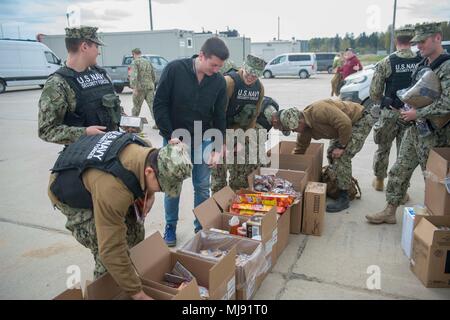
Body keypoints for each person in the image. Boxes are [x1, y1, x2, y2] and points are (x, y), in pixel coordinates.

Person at [48, 131, 192, 300]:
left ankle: (126, 281)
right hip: (71, 191)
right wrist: (138, 294)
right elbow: (111, 250)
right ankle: (103, 293)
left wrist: (150, 195)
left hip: (100, 176)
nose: (161, 191)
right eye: (162, 187)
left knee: (135, 234)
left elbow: (160, 161)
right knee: (108, 258)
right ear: (149, 173)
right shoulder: (113, 191)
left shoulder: (147, 149)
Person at [366, 22, 450, 224]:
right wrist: (403, 106)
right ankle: (389, 211)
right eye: (416, 42)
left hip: (435, 135)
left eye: (422, 41)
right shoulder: (423, 63)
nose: (418, 46)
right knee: (398, 170)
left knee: (432, 178)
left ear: (437, 38)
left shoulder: (446, 66)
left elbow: (447, 102)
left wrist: (417, 113)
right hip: (415, 129)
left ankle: (438, 219)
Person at [153, 37, 229, 246]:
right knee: (172, 186)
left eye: (220, 66)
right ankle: (170, 226)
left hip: (203, 138)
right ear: (201, 56)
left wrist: (217, 146)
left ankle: (201, 227)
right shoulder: (175, 70)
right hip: (175, 140)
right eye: (214, 65)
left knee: (203, 186)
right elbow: (159, 104)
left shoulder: (218, 82)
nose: (216, 69)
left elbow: (219, 116)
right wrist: (170, 135)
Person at [272, 99, 374, 212]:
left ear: (300, 122)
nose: (294, 132)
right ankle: (338, 183)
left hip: (358, 120)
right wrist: (290, 171)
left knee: (341, 156)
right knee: (331, 153)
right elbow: (300, 149)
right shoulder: (304, 130)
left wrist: (342, 147)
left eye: (293, 129)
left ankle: (344, 196)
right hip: (340, 128)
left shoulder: (319, 110)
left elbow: (345, 123)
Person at [38, 26, 121, 145]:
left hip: (112, 147)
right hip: (84, 154)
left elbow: (114, 107)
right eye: (96, 46)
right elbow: (46, 130)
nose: (99, 52)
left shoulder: (101, 74)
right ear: (84, 47)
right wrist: (84, 133)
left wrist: (125, 121)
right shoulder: (58, 83)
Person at [370, 26, 422, 193]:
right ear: (412, 40)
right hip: (411, 114)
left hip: (390, 113)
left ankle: (379, 181)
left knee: (383, 148)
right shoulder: (421, 61)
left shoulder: (386, 62)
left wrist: (387, 100)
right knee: (404, 154)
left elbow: (374, 93)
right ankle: (402, 190)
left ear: (395, 41)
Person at [211, 54, 266, 192]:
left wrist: (243, 140)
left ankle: (235, 207)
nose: (251, 78)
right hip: (219, 132)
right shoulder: (229, 83)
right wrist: (221, 144)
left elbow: (254, 117)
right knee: (219, 179)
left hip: (239, 133)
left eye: (255, 76)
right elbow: (217, 115)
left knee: (239, 179)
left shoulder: (259, 88)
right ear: (243, 68)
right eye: (249, 73)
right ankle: (217, 210)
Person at [129, 48, 157, 129]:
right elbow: (153, 74)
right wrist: (152, 83)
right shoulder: (148, 61)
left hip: (139, 88)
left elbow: (134, 75)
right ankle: (158, 123)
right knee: (152, 106)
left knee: (136, 106)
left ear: (134, 54)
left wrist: (134, 88)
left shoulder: (135, 62)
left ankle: (133, 125)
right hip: (149, 87)